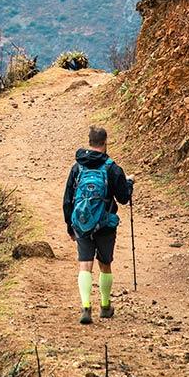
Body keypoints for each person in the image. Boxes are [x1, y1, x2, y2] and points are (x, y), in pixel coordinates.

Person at [63, 126, 134, 325]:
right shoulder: (112, 167)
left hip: (82, 222)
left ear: (89, 141)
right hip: (105, 222)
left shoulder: (77, 167)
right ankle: (105, 306)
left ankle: (86, 307)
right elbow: (123, 198)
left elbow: (68, 198)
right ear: (105, 142)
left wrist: (70, 225)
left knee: (85, 264)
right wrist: (128, 183)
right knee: (105, 264)